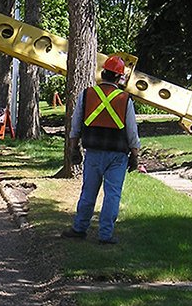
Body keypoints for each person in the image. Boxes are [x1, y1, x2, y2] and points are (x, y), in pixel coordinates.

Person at [61, 55, 140, 244]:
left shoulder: (87, 95)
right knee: (112, 194)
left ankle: (79, 228)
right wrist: (135, 156)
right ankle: (105, 235)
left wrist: (73, 149)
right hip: (118, 156)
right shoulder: (125, 99)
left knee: (88, 192)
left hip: (93, 152)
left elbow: (76, 124)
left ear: (103, 73)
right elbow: (132, 131)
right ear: (119, 78)